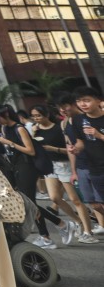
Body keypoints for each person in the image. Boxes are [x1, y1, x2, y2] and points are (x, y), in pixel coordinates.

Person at [0, 103, 65, 249]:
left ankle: (49, 235)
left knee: (29, 202)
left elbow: (31, 151)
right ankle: (57, 227)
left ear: (6, 114)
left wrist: (9, 143)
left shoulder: (19, 128)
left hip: (27, 166)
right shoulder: (4, 128)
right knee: (27, 202)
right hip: (16, 166)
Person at [30, 105, 96, 243]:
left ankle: (87, 230)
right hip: (49, 166)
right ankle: (77, 221)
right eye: (34, 116)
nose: (36, 118)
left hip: (64, 164)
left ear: (47, 114)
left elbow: (70, 149)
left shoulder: (59, 127)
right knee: (55, 198)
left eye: (39, 115)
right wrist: (33, 134)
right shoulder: (35, 130)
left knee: (75, 199)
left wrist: (54, 149)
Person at [57, 92, 104, 233]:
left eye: (86, 100)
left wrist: (99, 135)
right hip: (92, 167)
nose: (83, 104)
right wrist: (75, 149)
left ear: (97, 101)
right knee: (95, 204)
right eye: (79, 101)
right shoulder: (77, 121)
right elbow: (80, 143)